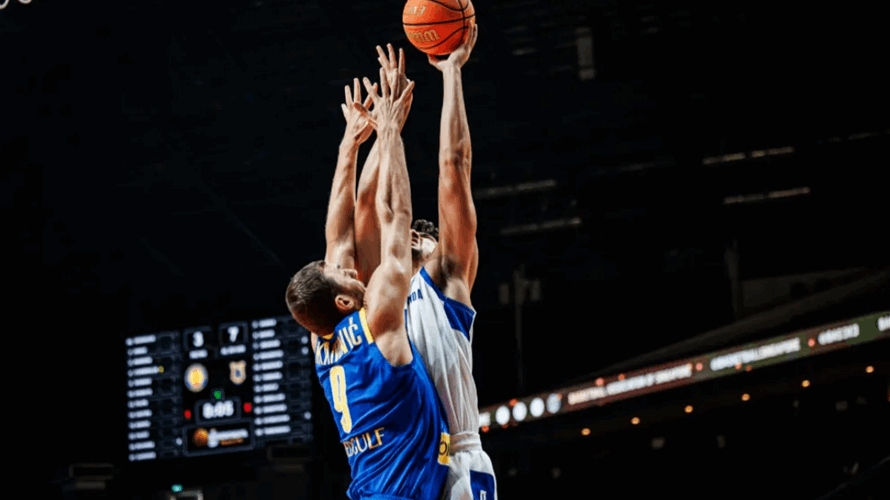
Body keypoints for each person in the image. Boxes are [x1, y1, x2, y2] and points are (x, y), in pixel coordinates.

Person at [285, 66, 450, 500]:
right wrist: (391, 131)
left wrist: (351, 143)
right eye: (342, 274)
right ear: (342, 300)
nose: (351, 268)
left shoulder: (324, 341)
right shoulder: (377, 318)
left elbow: (337, 235)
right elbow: (395, 217)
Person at [355, 27, 498, 500]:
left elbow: (454, 168)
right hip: (400, 465)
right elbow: (369, 211)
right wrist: (380, 131)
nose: (417, 232)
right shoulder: (384, 291)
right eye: (411, 230)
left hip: (456, 460)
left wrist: (451, 72)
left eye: (427, 231)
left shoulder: (448, 277)